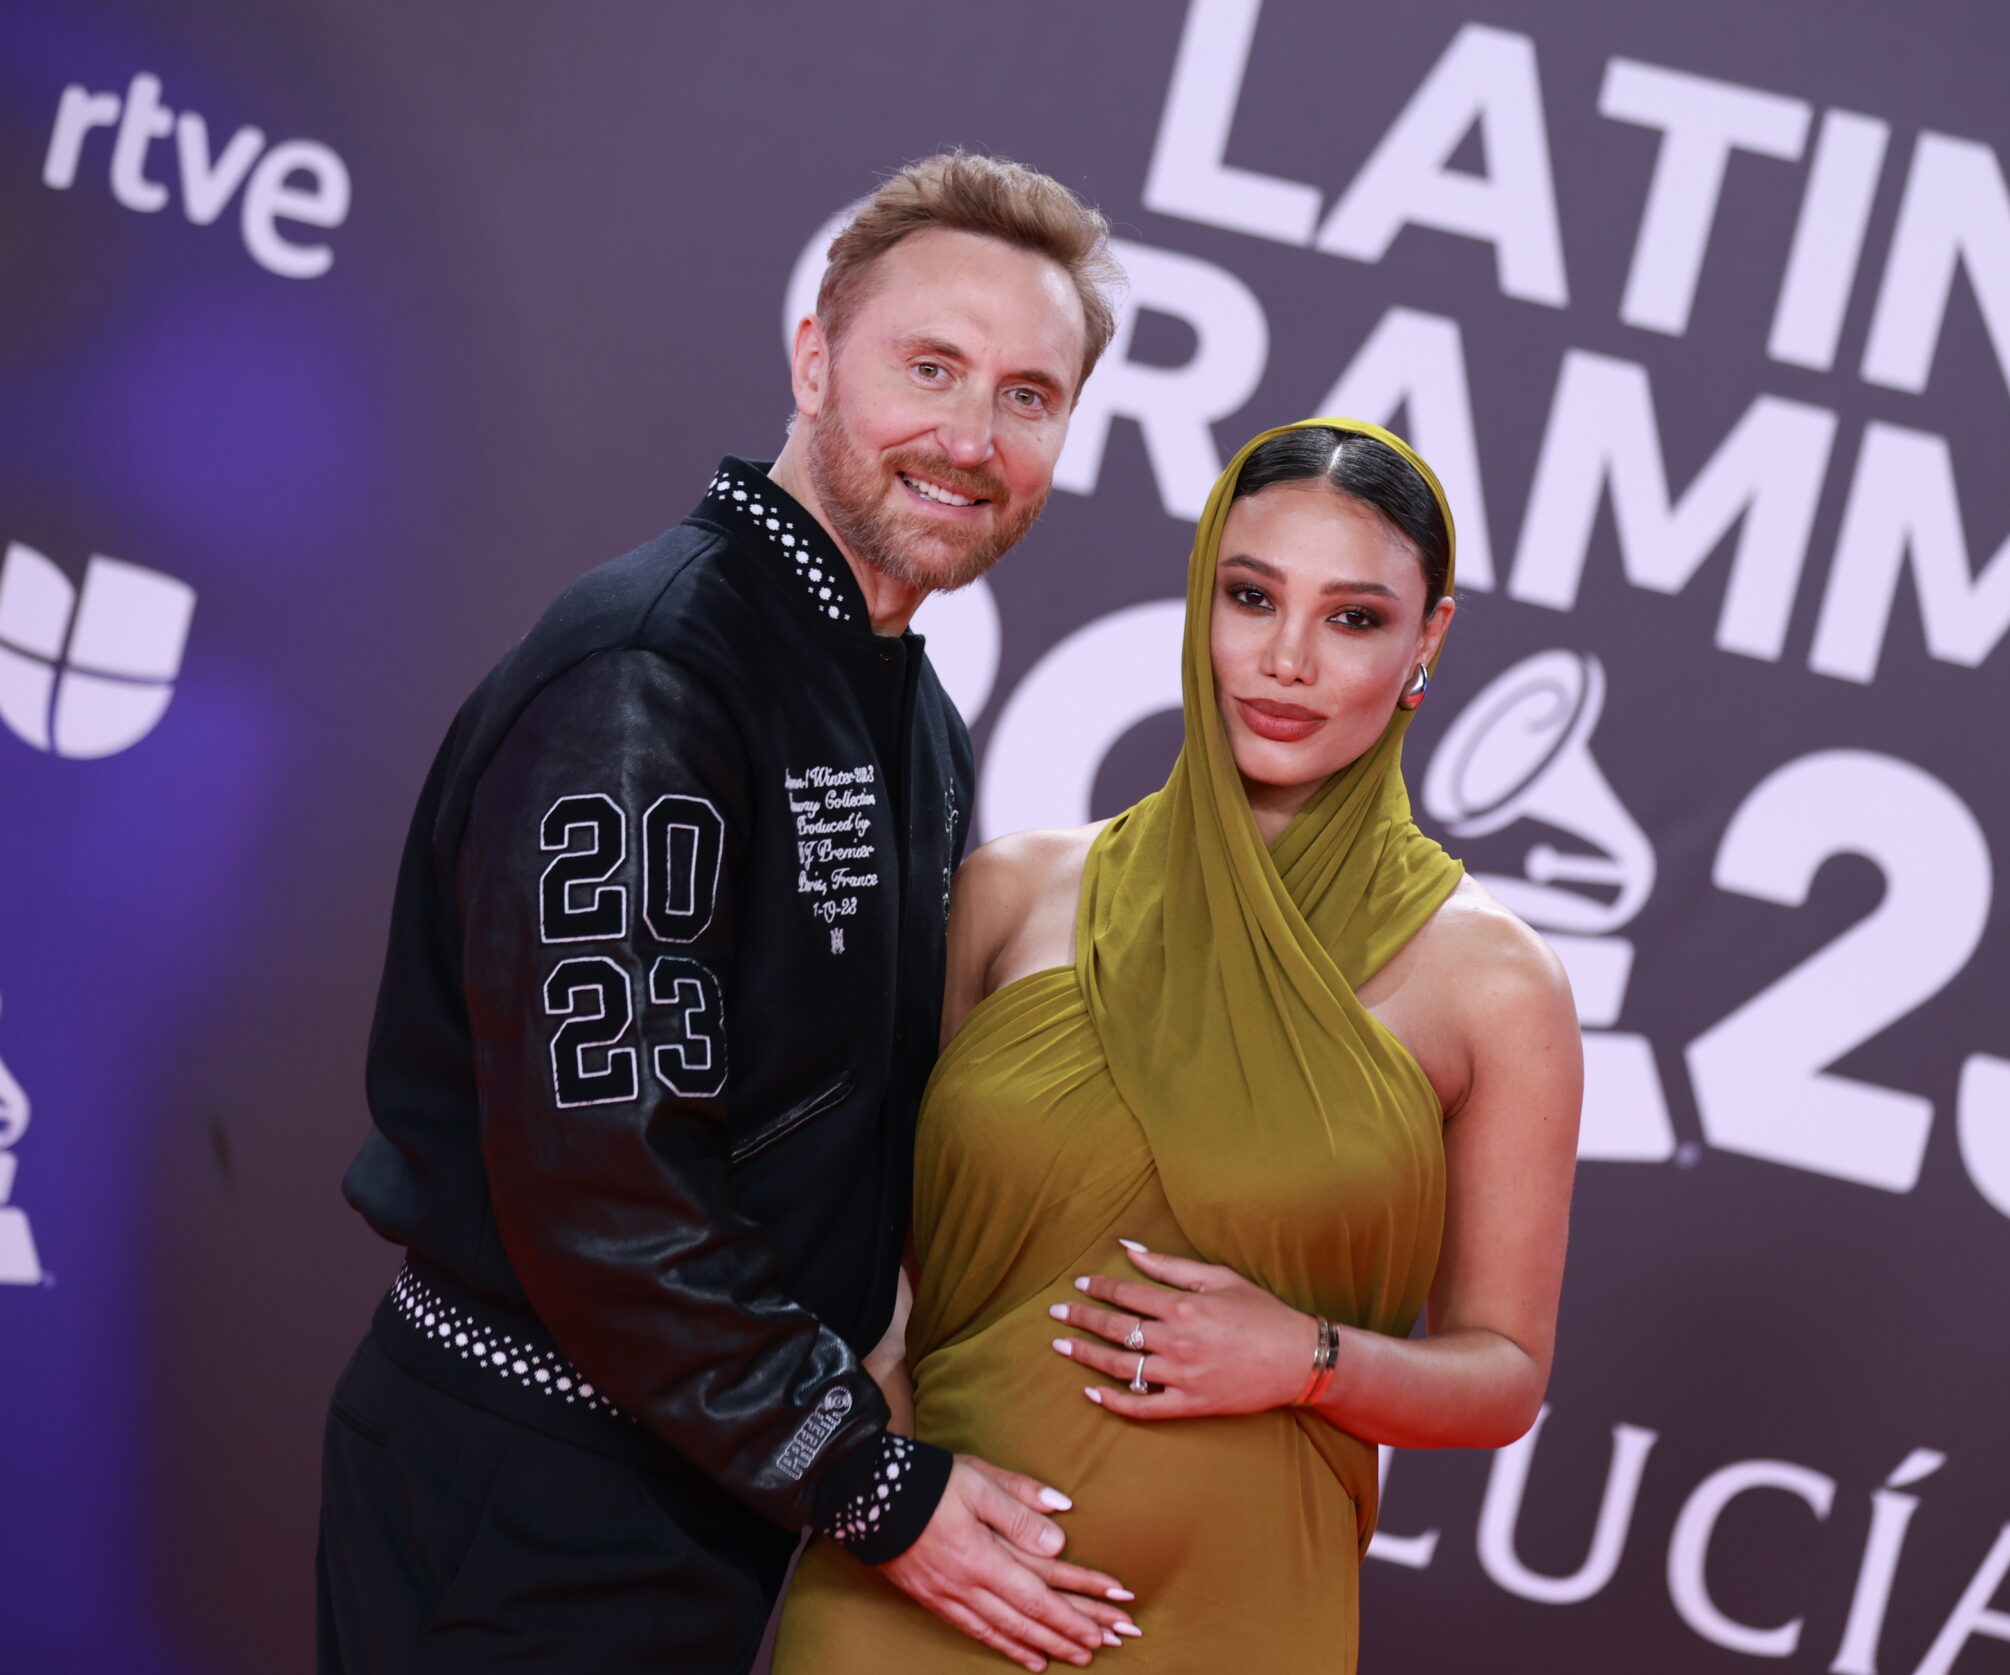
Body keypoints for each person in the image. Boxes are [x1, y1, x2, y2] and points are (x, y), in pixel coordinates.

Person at [319, 152, 1146, 1675]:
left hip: (709, 1482)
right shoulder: (651, 674)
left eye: (1029, 395)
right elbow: (604, 1176)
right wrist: (870, 1475)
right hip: (532, 1485)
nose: (972, 437)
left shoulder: (912, 712)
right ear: (815, 354)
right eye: (933, 366)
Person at [775, 419, 1584, 1672]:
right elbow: (875, 1278)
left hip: (1236, 1612)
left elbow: (1503, 1376)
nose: (1286, 660)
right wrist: (889, 1502)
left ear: (1428, 641)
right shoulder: (1015, 891)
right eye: (1250, 596)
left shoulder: (1496, 985)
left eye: (1354, 618)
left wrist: (1306, 1358)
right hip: (926, 1581)